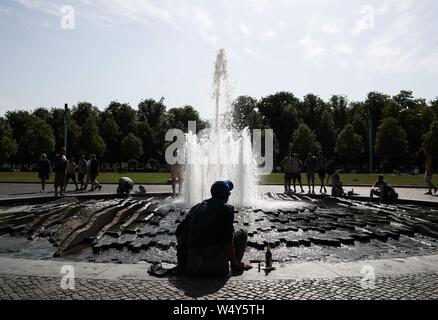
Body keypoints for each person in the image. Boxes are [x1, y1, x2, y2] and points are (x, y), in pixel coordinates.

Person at [175, 180, 252, 276]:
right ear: (228, 195)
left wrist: (183, 261)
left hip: (194, 264)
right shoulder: (227, 210)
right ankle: (235, 265)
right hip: (218, 267)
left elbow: (179, 232)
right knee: (242, 233)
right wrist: (235, 262)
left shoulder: (197, 207)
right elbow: (227, 241)